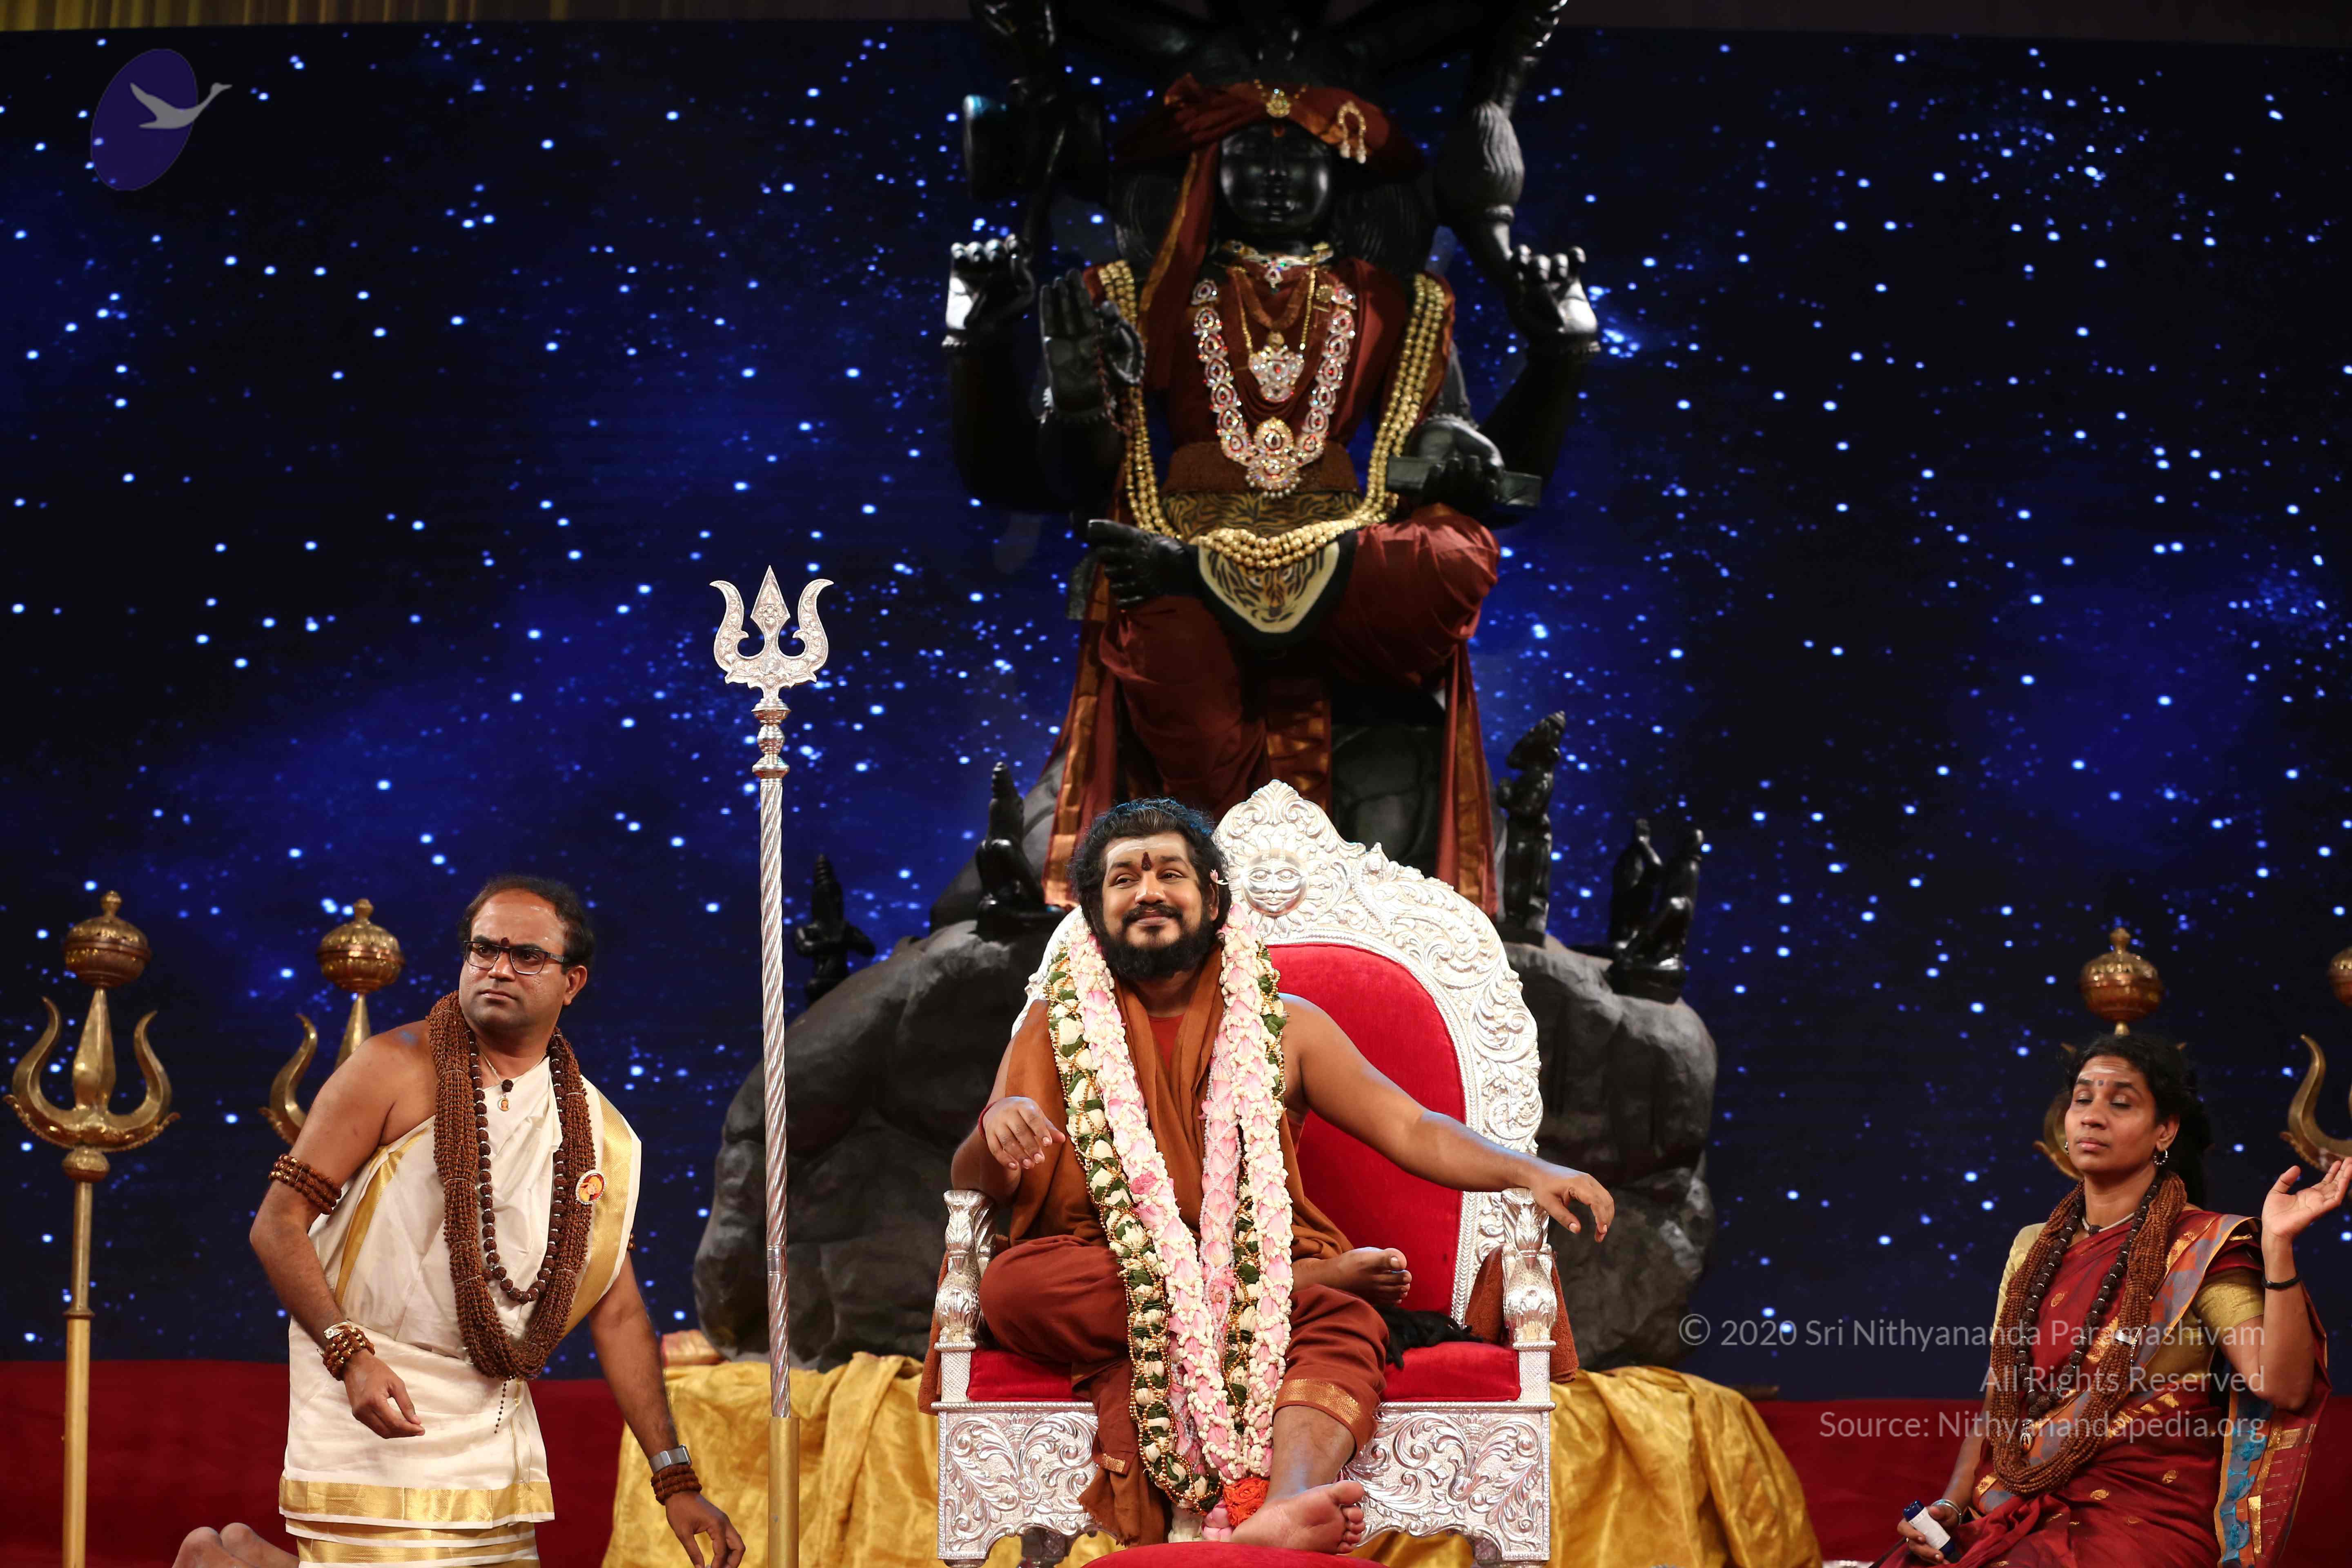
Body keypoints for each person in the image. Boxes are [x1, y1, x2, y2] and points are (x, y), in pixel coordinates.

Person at [947, 73, 1597, 914]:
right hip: (1178, 535)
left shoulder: (1400, 300)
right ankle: (1230, 882)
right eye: (1251, 152)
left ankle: (1200, 584)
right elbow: (1060, 474)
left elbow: (1480, 480)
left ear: (1343, 172)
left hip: (1342, 548)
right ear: (1207, 169)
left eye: (1302, 155)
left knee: (1455, 553)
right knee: (1164, 651)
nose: (1277, 174)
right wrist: (1072, 391)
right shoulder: (1134, 290)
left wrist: (1558, 357)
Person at [928, 798, 1613, 1553]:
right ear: (1096, 910)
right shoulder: (1053, 1028)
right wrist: (994, 1131)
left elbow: (1411, 1126)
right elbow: (979, 1181)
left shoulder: (1286, 1024)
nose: (1148, 891)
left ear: (1213, 896)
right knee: (1012, 1289)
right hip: (1115, 1270)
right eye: (1124, 879)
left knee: (1348, 1324)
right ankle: (1293, 1294)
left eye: (1169, 873)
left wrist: (1530, 1169)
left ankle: (1285, 1509)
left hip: (1256, 1262)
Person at [174, 876, 743, 1568]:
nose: (498, 968)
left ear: (572, 982)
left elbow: (618, 1312)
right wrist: (349, 1355)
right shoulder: (392, 1067)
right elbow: (277, 1224)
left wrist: (674, 1478)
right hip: (372, 1388)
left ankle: (231, 1561)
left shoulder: (601, 1137)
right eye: (484, 949)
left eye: (526, 956)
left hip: (494, 1413)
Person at [1894, 1033, 2345, 1568]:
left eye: (2121, 1103)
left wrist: (2277, 1246)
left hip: (2144, 1516)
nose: (2092, 1116)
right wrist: (1951, 1504)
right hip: (2011, 1506)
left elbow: (2284, 1387)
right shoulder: (2032, 1248)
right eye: (2082, 1099)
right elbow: (2002, 1399)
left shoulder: (2199, 1246)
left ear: (2165, 1130)